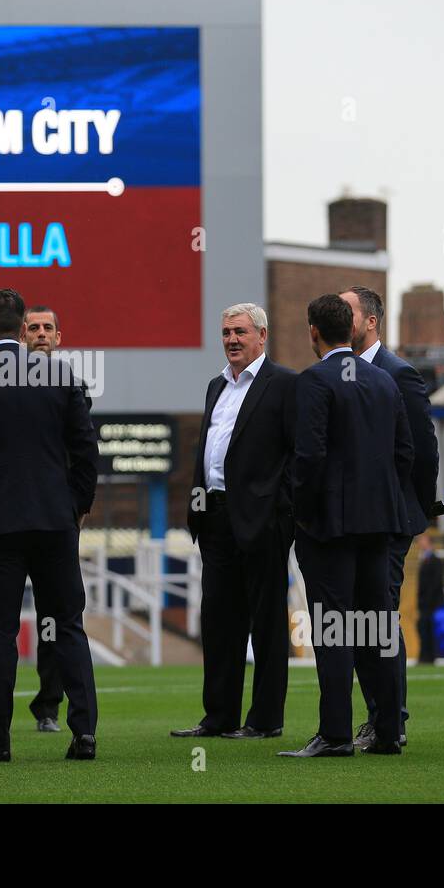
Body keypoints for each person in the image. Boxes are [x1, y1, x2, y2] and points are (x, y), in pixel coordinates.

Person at [0, 288, 99, 762]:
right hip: (54, 522)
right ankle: (84, 734)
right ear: (23, 325)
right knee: (69, 625)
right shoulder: (60, 375)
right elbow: (86, 451)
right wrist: (78, 507)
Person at [279, 294, 412, 759]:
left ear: (313, 331)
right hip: (379, 526)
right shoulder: (382, 380)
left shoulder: (313, 381)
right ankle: (389, 730)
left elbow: (310, 456)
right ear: (350, 330)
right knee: (378, 626)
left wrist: (302, 510)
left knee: (333, 628)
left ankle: (335, 734)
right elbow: (404, 453)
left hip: (330, 530)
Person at [172, 303, 297, 740]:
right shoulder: (215, 386)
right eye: (226, 332)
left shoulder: (284, 385)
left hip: (264, 521)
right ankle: (219, 716)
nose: (232, 340)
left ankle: (265, 721)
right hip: (216, 519)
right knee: (219, 620)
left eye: (240, 332)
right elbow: (207, 451)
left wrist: (280, 509)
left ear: (262, 335)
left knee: (266, 623)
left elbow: (299, 455)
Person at [0, 304, 70, 735]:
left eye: (49, 328)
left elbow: (81, 453)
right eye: (35, 327)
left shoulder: (65, 385)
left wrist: (76, 507)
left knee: (53, 619)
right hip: (3, 517)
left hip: (50, 519)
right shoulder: (1, 383)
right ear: (23, 334)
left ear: (58, 337)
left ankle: (48, 706)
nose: (41, 334)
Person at [340, 286, 440, 748]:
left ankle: (389, 721)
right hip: (355, 521)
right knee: (363, 616)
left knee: (379, 615)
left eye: (349, 312)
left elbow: (422, 450)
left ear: (372, 321)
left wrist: (410, 510)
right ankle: (381, 718)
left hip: (391, 521)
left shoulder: (398, 373)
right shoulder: (339, 374)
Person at [415, 533, 444, 664]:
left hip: (431, 604)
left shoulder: (435, 560)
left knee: (428, 629)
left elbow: (436, 583)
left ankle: (429, 657)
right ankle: (424, 656)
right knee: (423, 629)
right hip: (424, 604)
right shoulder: (424, 558)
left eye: (422, 540)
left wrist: (428, 601)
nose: (420, 543)